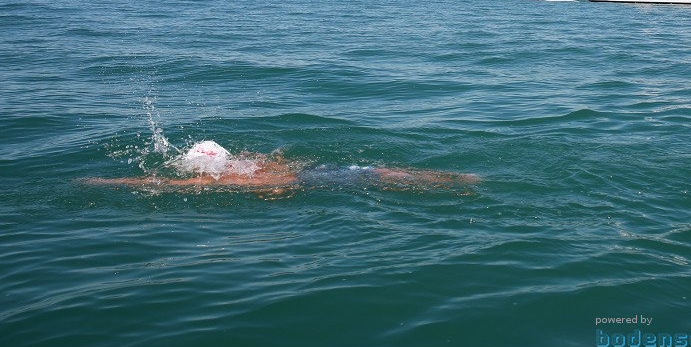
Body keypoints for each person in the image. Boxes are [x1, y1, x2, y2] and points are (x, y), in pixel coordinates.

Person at [83, 140, 480, 192]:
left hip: (306, 182)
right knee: (377, 172)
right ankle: (460, 179)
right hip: (323, 170)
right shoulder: (247, 162)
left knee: (378, 181)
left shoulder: (222, 177)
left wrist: (107, 180)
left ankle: (454, 186)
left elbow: (166, 185)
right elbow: (278, 163)